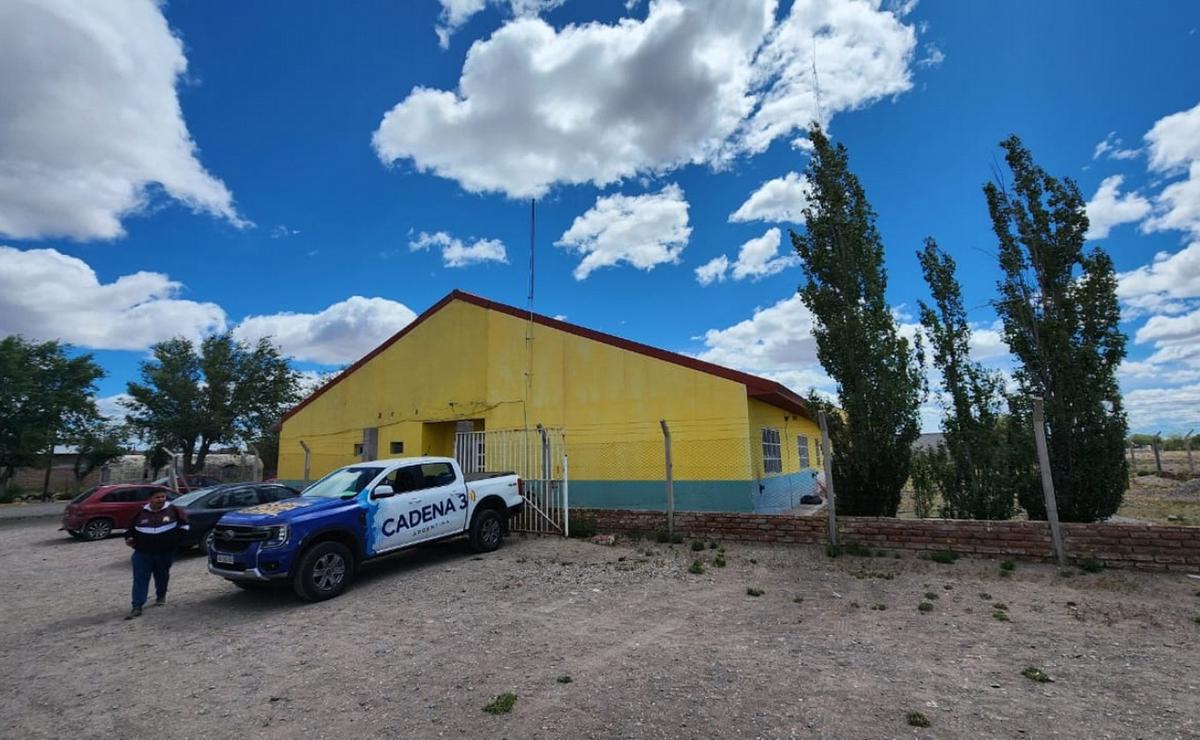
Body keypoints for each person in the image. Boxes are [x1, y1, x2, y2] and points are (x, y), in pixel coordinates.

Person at [124, 489, 189, 619]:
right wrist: (129, 538)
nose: (161, 499)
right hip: (142, 553)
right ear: (150, 499)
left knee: (162, 576)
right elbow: (128, 529)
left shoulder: (173, 510)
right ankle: (137, 606)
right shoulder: (140, 512)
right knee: (140, 579)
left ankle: (161, 595)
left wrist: (174, 542)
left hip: (164, 553)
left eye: (163, 496)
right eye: (157, 497)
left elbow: (185, 526)